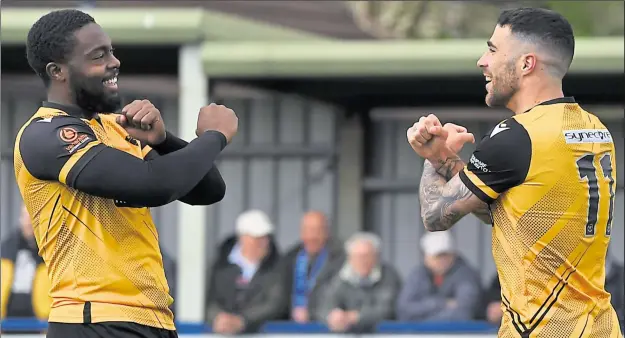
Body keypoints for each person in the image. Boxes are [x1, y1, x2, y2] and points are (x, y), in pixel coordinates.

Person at [15, 9, 238, 338]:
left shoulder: (113, 127)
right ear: (58, 71)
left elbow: (208, 190)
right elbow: (152, 184)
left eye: (112, 51)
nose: (114, 62)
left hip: (152, 319)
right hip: (92, 319)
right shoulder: (45, 134)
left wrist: (164, 141)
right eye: (98, 55)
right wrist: (213, 136)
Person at [406, 7, 621, 337]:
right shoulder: (594, 130)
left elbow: (435, 216)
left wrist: (432, 158)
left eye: (492, 50)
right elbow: (514, 214)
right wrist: (450, 162)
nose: (482, 61)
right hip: (599, 327)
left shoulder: (518, 135)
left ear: (526, 63)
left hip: (542, 330)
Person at [205, 210, 286, 334]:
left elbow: (275, 303)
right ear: (243, 238)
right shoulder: (220, 266)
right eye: (257, 238)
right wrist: (218, 318)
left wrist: (243, 320)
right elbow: (209, 300)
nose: (263, 243)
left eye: (265, 238)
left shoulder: (277, 267)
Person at [317, 232, 400, 333]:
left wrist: (357, 317)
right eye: (358, 256)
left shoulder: (388, 276)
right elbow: (323, 306)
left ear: (376, 256)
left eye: (366, 256)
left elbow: (387, 310)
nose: (362, 261)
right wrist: (333, 316)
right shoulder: (339, 276)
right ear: (350, 258)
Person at [396, 231, 482, 322]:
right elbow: (404, 310)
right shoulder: (418, 275)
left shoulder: (466, 275)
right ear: (426, 257)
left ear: (454, 255)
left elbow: (464, 312)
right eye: (437, 256)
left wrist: (422, 318)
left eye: (446, 255)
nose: (442, 260)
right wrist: (442, 303)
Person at [281, 211, 345, 323]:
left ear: (327, 232)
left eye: (317, 231)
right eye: (307, 230)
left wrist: (310, 313)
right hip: (290, 326)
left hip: (324, 326)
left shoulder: (341, 260)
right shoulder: (289, 258)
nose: (312, 236)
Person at [1, 205, 52, 321]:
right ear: (20, 218)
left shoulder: (47, 250)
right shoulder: (7, 247)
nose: (28, 222)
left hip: (39, 317)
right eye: (25, 217)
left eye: (32, 218)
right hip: (8, 317)